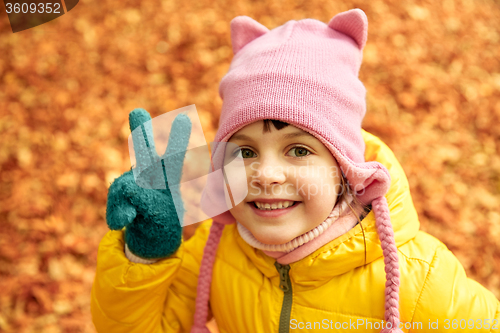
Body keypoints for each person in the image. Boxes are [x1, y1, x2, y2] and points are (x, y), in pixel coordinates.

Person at [91, 9, 500, 333]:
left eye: (299, 149)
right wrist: (144, 254)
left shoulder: (421, 283)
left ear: (345, 170)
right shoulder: (215, 252)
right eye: (246, 151)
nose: (265, 174)